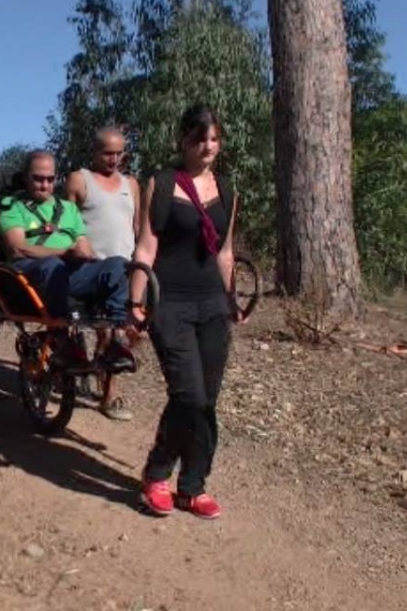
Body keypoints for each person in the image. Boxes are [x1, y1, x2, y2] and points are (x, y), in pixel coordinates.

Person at [128, 104, 241, 520]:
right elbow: (146, 247)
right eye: (199, 139)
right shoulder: (160, 183)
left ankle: (193, 486)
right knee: (188, 394)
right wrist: (135, 303)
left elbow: (225, 252)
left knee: (206, 400)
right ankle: (157, 473)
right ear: (183, 140)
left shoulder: (227, 189)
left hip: (212, 303)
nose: (207, 147)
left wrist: (232, 300)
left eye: (214, 139)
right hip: (169, 302)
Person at [0, 151, 134, 371]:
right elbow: (18, 247)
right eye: (38, 179)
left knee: (117, 264)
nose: (45, 185)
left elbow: (83, 245)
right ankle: (62, 340)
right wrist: (63, 251)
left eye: (50, 179)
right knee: (53, 265)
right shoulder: (11, 205)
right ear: (26, 177)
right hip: (31, 273)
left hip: (68, 271)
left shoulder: (68, 209)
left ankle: (115, 338)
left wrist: (85, 255)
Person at [64, 125, 140, 422]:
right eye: (108, 153)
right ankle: (110, 395)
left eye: (119, 153)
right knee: (109, 330)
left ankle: (101, 372)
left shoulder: (131, 184)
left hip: (125, 271)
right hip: (90, 270)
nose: (114, 159)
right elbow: (65, 224)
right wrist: (74, 249)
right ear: (95, 152)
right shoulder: (79, 179)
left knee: (128, 332)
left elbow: (137, 226)